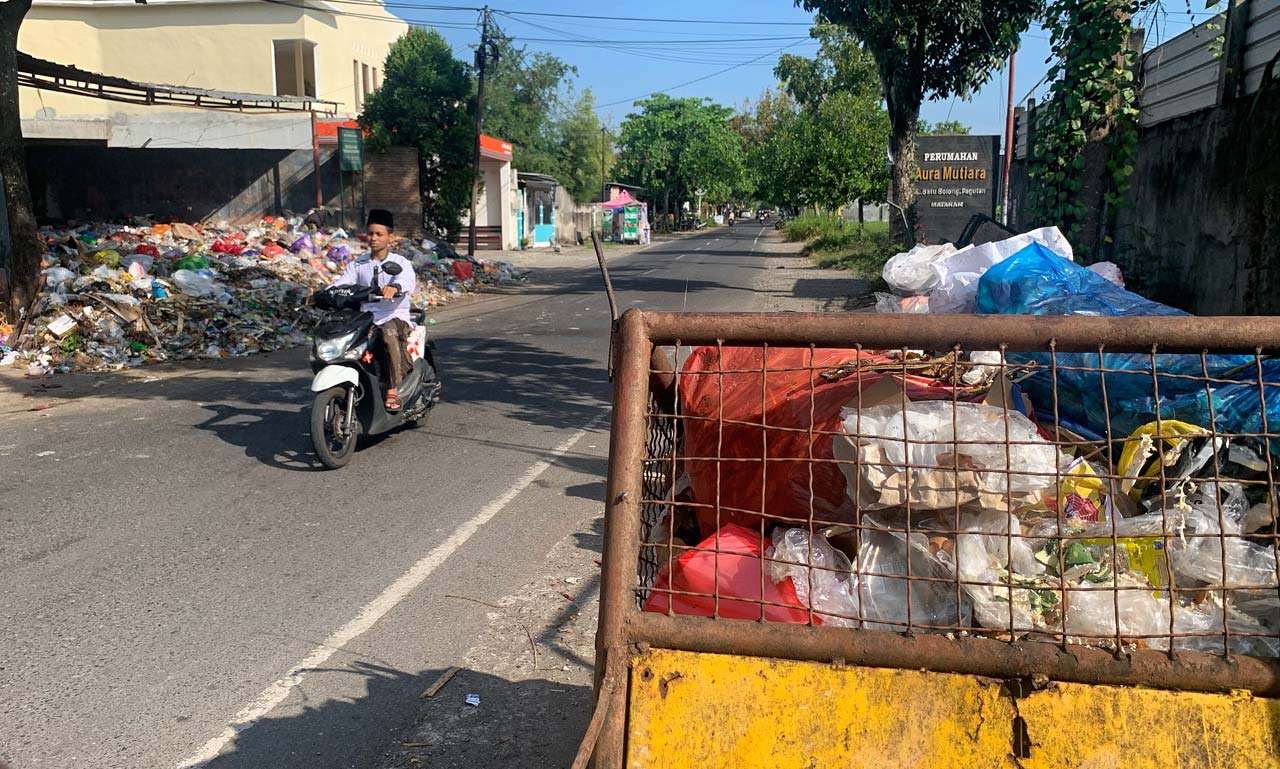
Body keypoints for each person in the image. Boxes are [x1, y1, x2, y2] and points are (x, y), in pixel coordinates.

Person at [334, 209, 417, 412]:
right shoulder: (358, 264)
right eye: (371, 233)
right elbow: (342, 284)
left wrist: (395, 288)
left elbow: (406, 280)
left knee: (388, 334)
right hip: (366, 317)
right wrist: (323, 294)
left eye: (379, 234)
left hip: (393, 315)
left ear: (390, 237)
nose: (373, 238)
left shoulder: (400, 263)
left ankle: (392, 388)